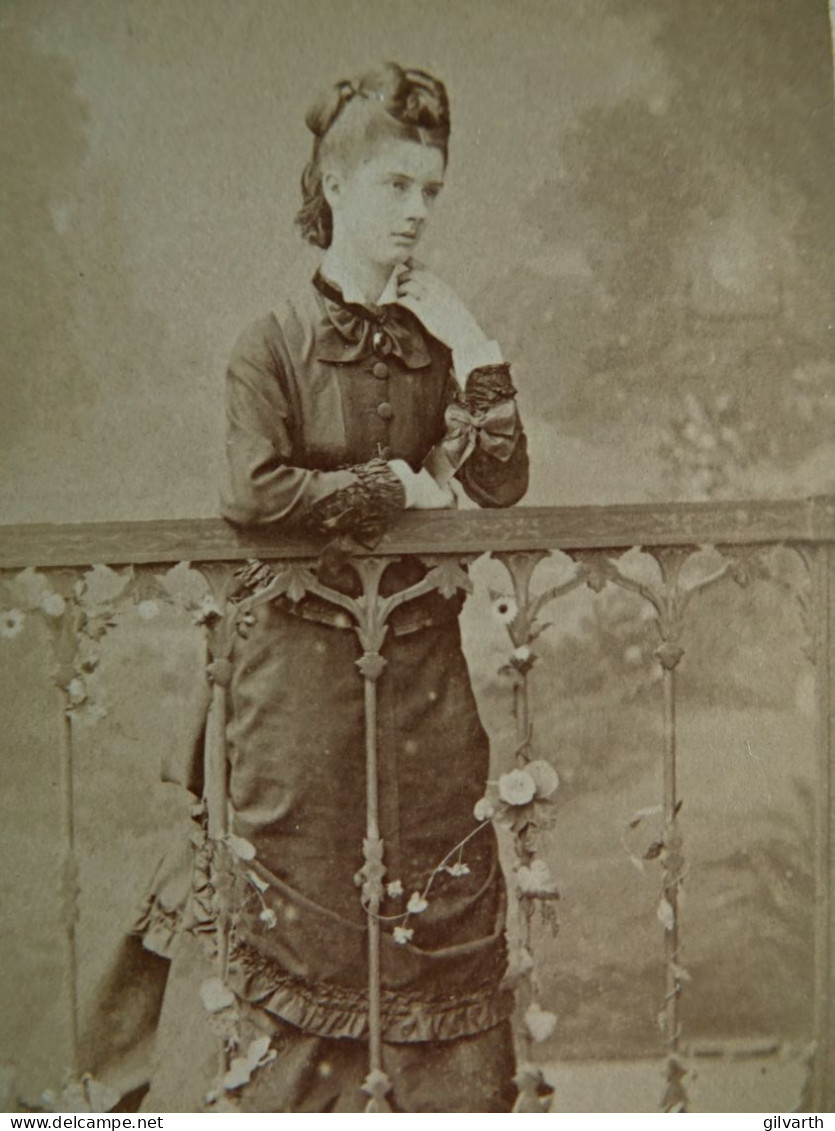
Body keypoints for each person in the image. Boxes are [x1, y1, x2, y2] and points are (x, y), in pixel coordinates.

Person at [83, 62, 529, 1114]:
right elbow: (251, 490)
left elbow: (501, 483)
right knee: (299, 906)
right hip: (292, 677)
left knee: (430, 899)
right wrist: (390, 485)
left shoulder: (430, 347)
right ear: (333, 186)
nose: (416, 212)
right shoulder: (271, 344)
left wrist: (475, 345)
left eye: (431, 190)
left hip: (416, 675)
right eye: (393, 187)